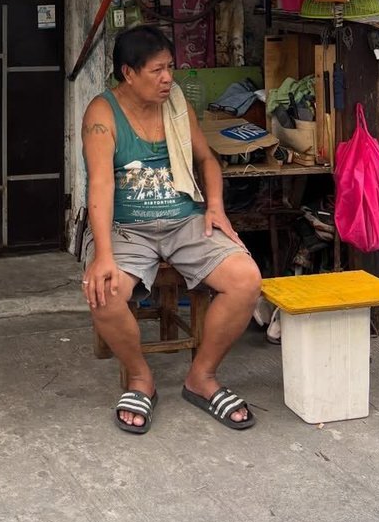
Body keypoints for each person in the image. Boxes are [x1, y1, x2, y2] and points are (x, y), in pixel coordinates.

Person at [81, 25, 262, 434]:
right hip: (128, 228)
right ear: (129, 73)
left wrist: (215, 207)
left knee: (247, 280)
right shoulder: (102, 113)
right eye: (158, 70)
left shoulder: (177, 105)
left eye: (171, 68)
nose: (168, 79)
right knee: (104, 294)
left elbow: (208, 160)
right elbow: (101, 184)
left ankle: (202, 377)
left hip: (185, 221)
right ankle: (141, 378)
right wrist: (103, 254)